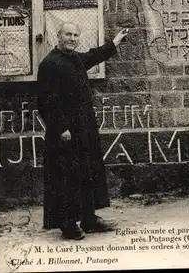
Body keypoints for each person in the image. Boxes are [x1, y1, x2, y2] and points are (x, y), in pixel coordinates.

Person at [37, 22, 129, 239]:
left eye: (76, 35)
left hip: (83, 129)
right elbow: (46, 101)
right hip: (64, 133)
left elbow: (94, 55)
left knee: (87, 172)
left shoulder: (76, 59)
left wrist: (114, 42)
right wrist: (61, 127)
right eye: (67, 34)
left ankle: (88, 219)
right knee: (66, 177)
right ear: (57, 36)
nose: (72, 38)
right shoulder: (49, 63)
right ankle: (68, 224)